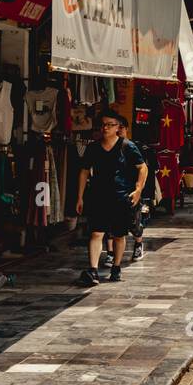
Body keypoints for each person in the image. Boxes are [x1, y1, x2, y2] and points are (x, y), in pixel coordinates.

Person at [75, 112, 148, 287]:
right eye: (103, 125)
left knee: (118, 235)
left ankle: (116, 266)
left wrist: (138, 189)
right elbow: (84, 171)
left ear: (117, 127)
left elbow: (142, 167)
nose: (105, 128)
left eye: (109, 124)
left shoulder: (127, 146)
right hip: (98, 197)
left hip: (121, 197)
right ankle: (93, 270)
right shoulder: (93, 148)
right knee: (96, 233)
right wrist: (80, 197)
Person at [102, 121, 148, 266]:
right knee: (109, 224)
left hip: (131, 190)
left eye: (121, 127)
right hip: (113, 191)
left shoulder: (131, 146)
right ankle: (110, 252)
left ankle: (138, 244)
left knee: (134, 222)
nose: (118, 130)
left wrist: (139, 189)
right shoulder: (107, 146)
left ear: (125, 129)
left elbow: (143, 169)